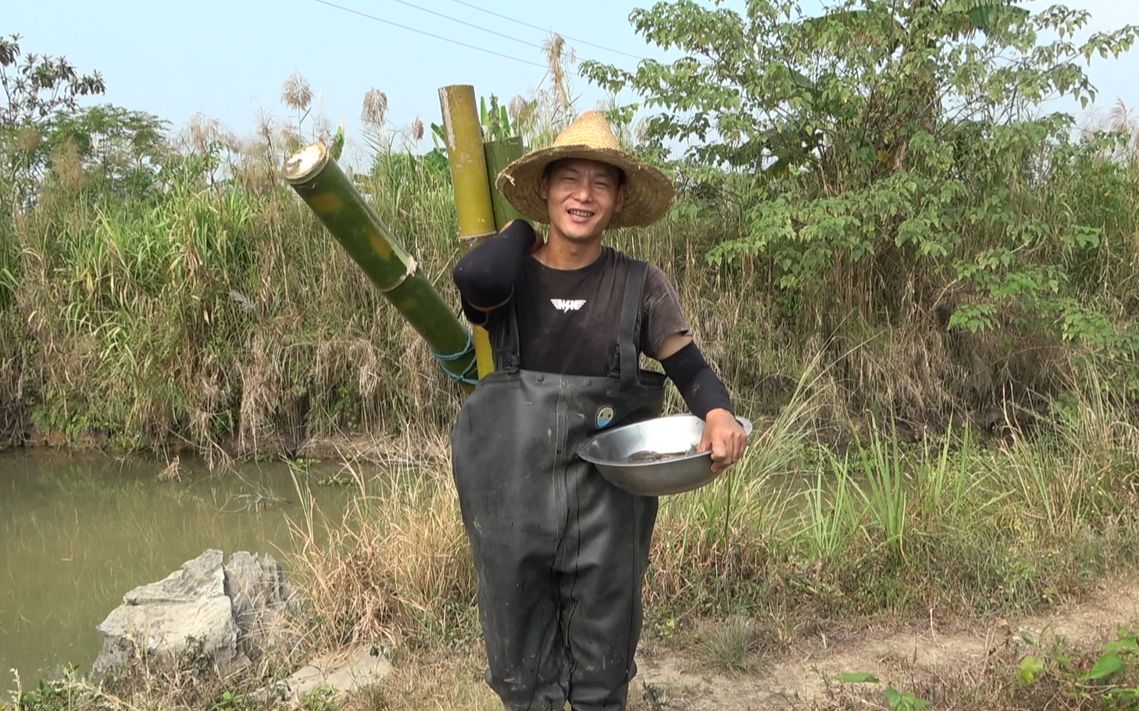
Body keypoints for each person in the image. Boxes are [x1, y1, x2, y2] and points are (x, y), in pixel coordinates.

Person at [450, 111, 747, 711]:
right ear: (544, 190)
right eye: (568, 180)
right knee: (519, 669)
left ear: (618, 200)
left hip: (608, 503)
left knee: (602, 665)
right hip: (512, 500)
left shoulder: (641, 284)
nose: (583, 196)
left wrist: (717, 414)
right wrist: (518, 232)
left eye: (601, 184)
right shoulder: (507, 276)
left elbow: (688, 368)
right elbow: (473, 276)